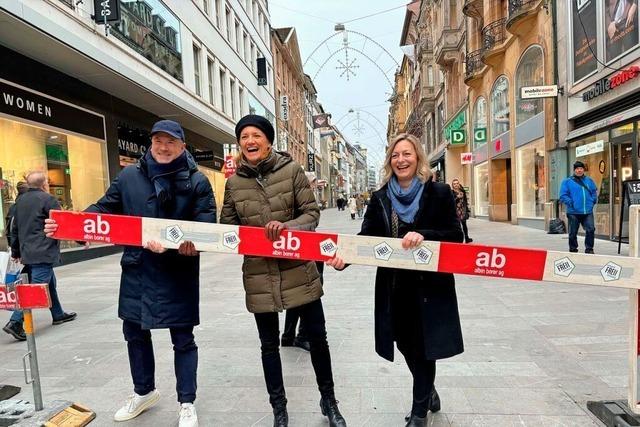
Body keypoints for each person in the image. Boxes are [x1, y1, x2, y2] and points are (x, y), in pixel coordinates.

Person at [45, 120, 215, 427]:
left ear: (182, 147)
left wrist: (181, 246)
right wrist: (70, 226)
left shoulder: (197, 181)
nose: (163, 147)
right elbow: (103, 208)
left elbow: (207, 226)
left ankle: (187, 402)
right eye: (158, 141)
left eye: (170, 142)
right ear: (151, 143)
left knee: (183, 338)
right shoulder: (129, 176)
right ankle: (143, 391)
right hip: (138, 268)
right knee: (135, 334)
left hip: (177, 272)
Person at [327, 133, 464, 427]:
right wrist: (344, 258)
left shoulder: (438, 192)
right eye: (395, 155)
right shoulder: (380, 198)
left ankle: (419, 413)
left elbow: (456, 236)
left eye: (407, 154)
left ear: (418, 158)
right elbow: (367, 238)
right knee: (404, 343)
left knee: (424, 345)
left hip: (431, 287)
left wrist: (424, 236)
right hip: (395, 286)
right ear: (390, 161)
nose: (401, 160)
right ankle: (429, 392)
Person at [220, 114, 346, 427]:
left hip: (298, 269)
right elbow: (228, 227)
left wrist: (286, 227)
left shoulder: (291, 171)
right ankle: (279, 408)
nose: (250, 141)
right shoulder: (233, 183)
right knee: (268, 346)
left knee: (318, 338)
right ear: (240, 143)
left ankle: (329, 400)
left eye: (256, 135)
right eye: (244, 136)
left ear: (268, 140)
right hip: (259, 274)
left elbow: (311, 214)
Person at [3, 172, 76, 342]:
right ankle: (15, 321)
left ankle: (58, 314)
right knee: (37, 287)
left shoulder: (19, 201)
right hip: (43, 251)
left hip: (27, 251)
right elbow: (62, 222)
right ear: (44, 184)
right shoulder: (48, 199)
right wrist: (79, 239)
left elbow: (15, 229)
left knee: (49, 283)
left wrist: (16, 252)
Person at [559, 160, 598, 254]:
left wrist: (593, 201)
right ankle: (573, 248)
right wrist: (571, 203)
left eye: (581, 168)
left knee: (591, 229)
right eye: (577, 168)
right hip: (573, 212)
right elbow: (563, 195)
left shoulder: (589, 180)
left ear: (583, 170)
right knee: (573, 232)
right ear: (574, 170)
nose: (579, 170)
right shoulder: (567, 181)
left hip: (587, 211)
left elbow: (594, 192)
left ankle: (589, 248)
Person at [5, 181, 28, 248]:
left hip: (16, 243)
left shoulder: (13, 206)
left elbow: (9, 225)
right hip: (25, 244)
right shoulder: (27, 205)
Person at [451, 178, 472, 243]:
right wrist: (457, 197)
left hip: (463, 211)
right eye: (454, 184)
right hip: (456, 211)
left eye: (457, 183)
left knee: (464, 225)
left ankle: (467, 238)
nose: (456, 185)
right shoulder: (451, 192)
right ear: (452, 185)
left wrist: (467, 210)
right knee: (458, 227)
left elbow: (465, 201)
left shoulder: (462, 191)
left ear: (459, 184)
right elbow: (451, 202)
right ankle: (459, 239)